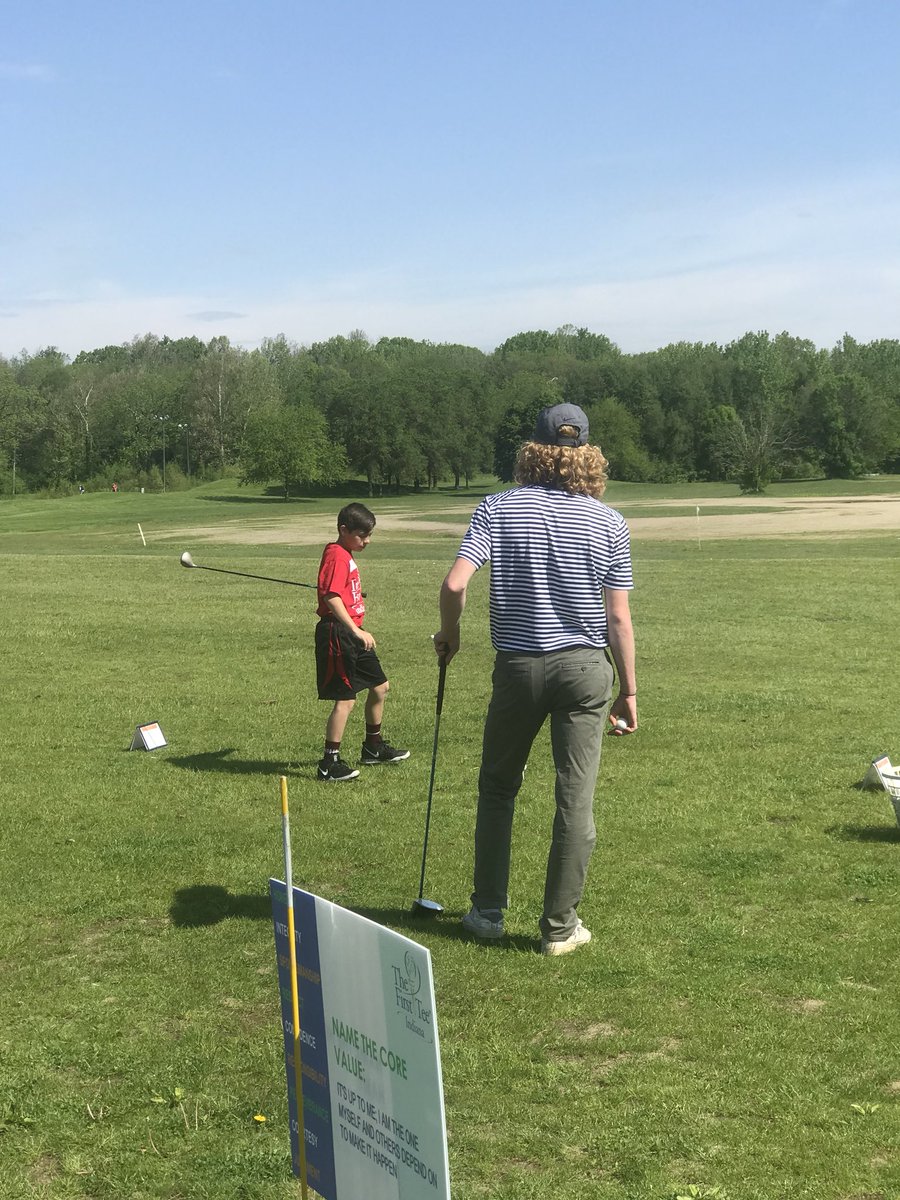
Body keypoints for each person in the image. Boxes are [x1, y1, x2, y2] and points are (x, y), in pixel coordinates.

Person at [434, 403, 637, 956]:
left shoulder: (497, 508)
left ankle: (487, 912)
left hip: (518, 668)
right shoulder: (609, 521)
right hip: (585, 670)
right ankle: (559, 928)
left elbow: (454, 585)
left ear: (534, 450)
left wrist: (450, 634)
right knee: (575, 798)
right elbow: (618, 618)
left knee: (498, 788)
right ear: (587, 453)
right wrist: (629, 691)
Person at [315, 502, 410, 782]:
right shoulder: (336, 555)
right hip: (339, 633)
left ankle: (373, 747)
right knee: (346, 699)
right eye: (362, 535)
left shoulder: (344, 554)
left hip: (353, 631)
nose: (367, 541)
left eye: (369, 535)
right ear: (344, 530)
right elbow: (331, 598)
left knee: (380, 686)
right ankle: (329, 764)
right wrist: (356, 632)